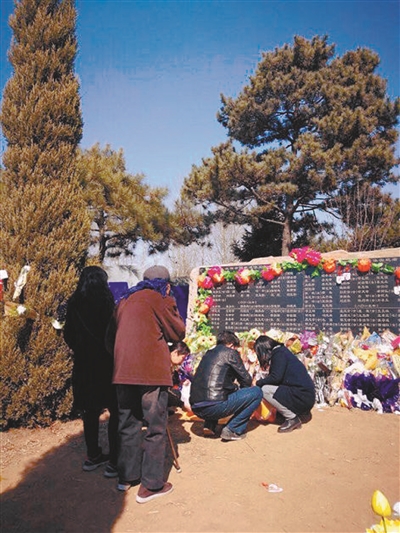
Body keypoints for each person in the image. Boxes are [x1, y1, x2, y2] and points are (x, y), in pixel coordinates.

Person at [108, 265, 186, 503]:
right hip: (150, 373)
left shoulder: (124, 299)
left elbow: (110, 337)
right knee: (155, 427)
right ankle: (151, 487)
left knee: (128, 424)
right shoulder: (160, 297)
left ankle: (127, 477)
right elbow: (178, 332)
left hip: (122, 372)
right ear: (167, 283)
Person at [63, 266, 118, 477]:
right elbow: (114, 333)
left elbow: (68, 335)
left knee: (90, 412)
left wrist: (80, 348)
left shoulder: (74, 303)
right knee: (115, 411)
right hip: (107, 363)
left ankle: (92, 455)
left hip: (84, 366)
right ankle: (114, 459)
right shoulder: (107, 302)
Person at [189, 330, 263, 441]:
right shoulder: (230, 353)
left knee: (216, 394)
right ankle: (232, 429)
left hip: (195, 406)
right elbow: (246, 380)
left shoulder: (208, 353)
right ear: (231, 345)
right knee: (257, 392)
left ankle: (209, 425)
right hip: (215, 407)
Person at [254, 335, 315, 433]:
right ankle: (289, 413)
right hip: (305, 395)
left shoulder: (279, 354)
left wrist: (257, 383)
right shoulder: (282, 351)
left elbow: (275, 378)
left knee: (265, 390)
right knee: (271, 388)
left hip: (303, 397)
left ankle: (292, 418)